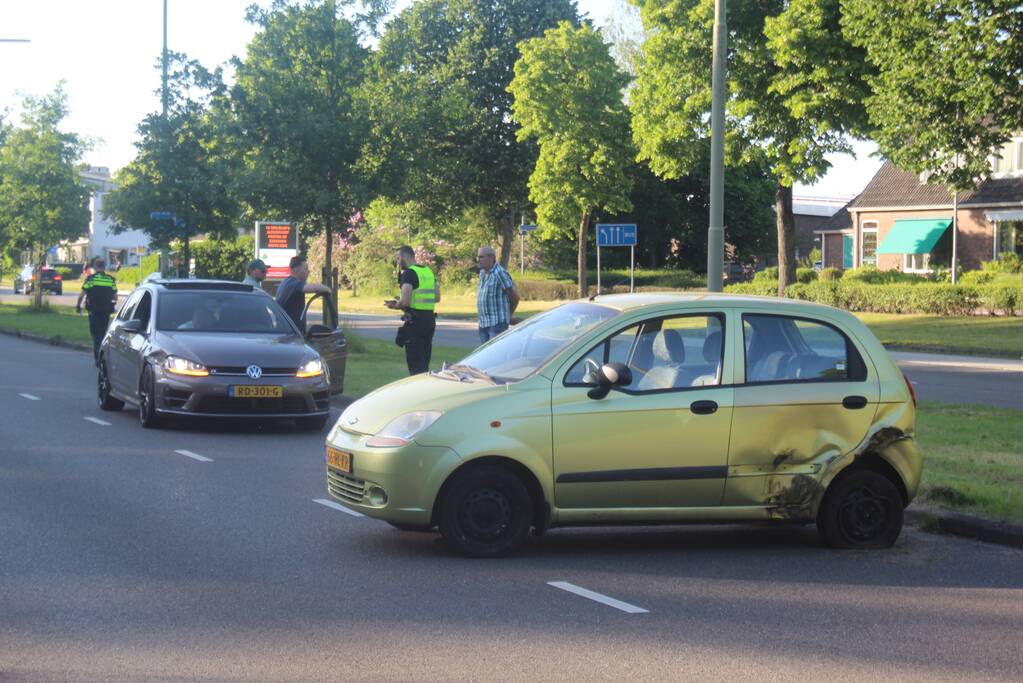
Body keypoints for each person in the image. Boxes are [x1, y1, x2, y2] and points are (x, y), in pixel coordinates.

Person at [386, 245, 439, 375]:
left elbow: (405, 302)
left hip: (415, 322)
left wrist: (395, 305)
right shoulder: (428, 271)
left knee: (415, 363)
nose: (397, 262)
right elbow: (437, 297)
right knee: (424, 361)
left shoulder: (409, 274)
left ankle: (418, 391)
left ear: (404, 257)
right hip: (429, 321)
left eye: (398, 259)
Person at [76, 259, 118, 366]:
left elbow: (82, 294)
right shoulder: (110, 280)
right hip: (106, 311)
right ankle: (103, 356)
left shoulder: (91, 279)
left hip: (93, 311)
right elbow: (115, 296)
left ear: (94, 268)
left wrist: (78, 306)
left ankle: (97, 357)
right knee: (103, 333)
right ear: (104, 267)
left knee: (96, 335)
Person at [475, 245, 519, 344]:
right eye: (478, 257)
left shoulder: (499, 273)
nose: (478, 259)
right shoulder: (482, 273)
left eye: (481, 257)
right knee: (485, 354)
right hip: (483, 323)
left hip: (497, 323)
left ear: (491, 258)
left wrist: (509, 314)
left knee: (494, 355)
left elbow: (514, 296)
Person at [274, 255, 330, 332]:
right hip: (290, 333)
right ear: (297, 269)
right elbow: (312, 288)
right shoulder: (293, 283)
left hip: (286, 330)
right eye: (306, 269)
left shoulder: (286, 282)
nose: (308, 272)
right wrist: (328, 289)